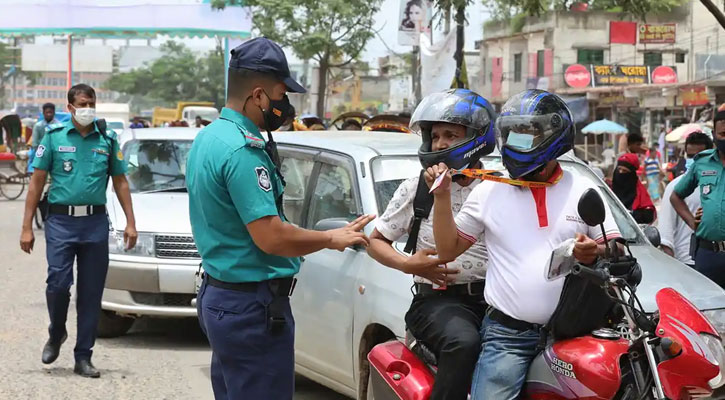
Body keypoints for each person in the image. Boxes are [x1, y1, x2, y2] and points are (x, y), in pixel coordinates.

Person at [185, 37, 375, 400]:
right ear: (257, 95)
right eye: (280, 94)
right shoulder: (243, 150)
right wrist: (330, 238)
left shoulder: (210, 137)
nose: (284, 104)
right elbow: (270, 237)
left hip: (222, 295)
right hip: (250, 309)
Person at [428, 90, 621, 400]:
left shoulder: (582, 186)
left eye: (528, 133)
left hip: (575, 333)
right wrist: (441, 197)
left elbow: (615, 247)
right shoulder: (488, 190)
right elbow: (448, 251)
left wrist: (595, 250)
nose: (517, 141)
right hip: (508, 337)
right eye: (511, 133)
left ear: (553, 136)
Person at [367, 89, 496, 400]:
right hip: (438, 302)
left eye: (451, 134)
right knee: (463, 343)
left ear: (477, 137)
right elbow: (376, 242)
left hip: (495, 300)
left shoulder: (498, 186)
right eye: (435, 135)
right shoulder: (416, 189)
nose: (439, 144)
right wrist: (407, 263)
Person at [19, 84, 138, 378]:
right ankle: (57, 330)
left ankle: (83, 356)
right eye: (83, 103)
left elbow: (121, 182)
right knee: (58, 285)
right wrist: (26, 227)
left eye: (92, 103)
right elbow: (36, 182)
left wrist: (131, 222)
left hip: (95, 224)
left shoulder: (108, 139)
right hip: (61, 222)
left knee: (90, 293)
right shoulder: (54, 137)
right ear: (70, 107)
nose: (88, 109)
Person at [671, 110, 725, 287]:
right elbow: (676, 196)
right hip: (708, 254)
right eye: (723, 134)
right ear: (715, 136)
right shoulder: (702, 162)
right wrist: (691, 221)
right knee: (707, 310)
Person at [660, 132, 713, 266]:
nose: (695, 160)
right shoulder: (675, 187)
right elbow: (666, 233)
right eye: (690, 156)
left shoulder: (718, 184)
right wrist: (671, 267)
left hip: (713, 260)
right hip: (685, 263)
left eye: (699, 155)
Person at [611, 153, 656, 224]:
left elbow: (648, 215)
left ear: (631, 174)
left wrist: (633, 215)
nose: (620, 173)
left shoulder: (639, 192)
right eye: (619, 169)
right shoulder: (608, 190)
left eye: (625, 171)